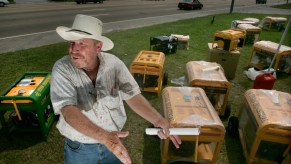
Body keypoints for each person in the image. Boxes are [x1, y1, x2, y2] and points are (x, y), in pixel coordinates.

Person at [50, 14, 181, 164]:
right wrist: (105, 137)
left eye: (81, 44)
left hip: (114, 141)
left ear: (98, 47)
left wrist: (158, 120)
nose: (73, 50)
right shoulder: (62, 68)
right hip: (80, 147)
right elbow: (68, 110)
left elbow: (132, 95)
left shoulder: (114, 64)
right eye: (72, 43)